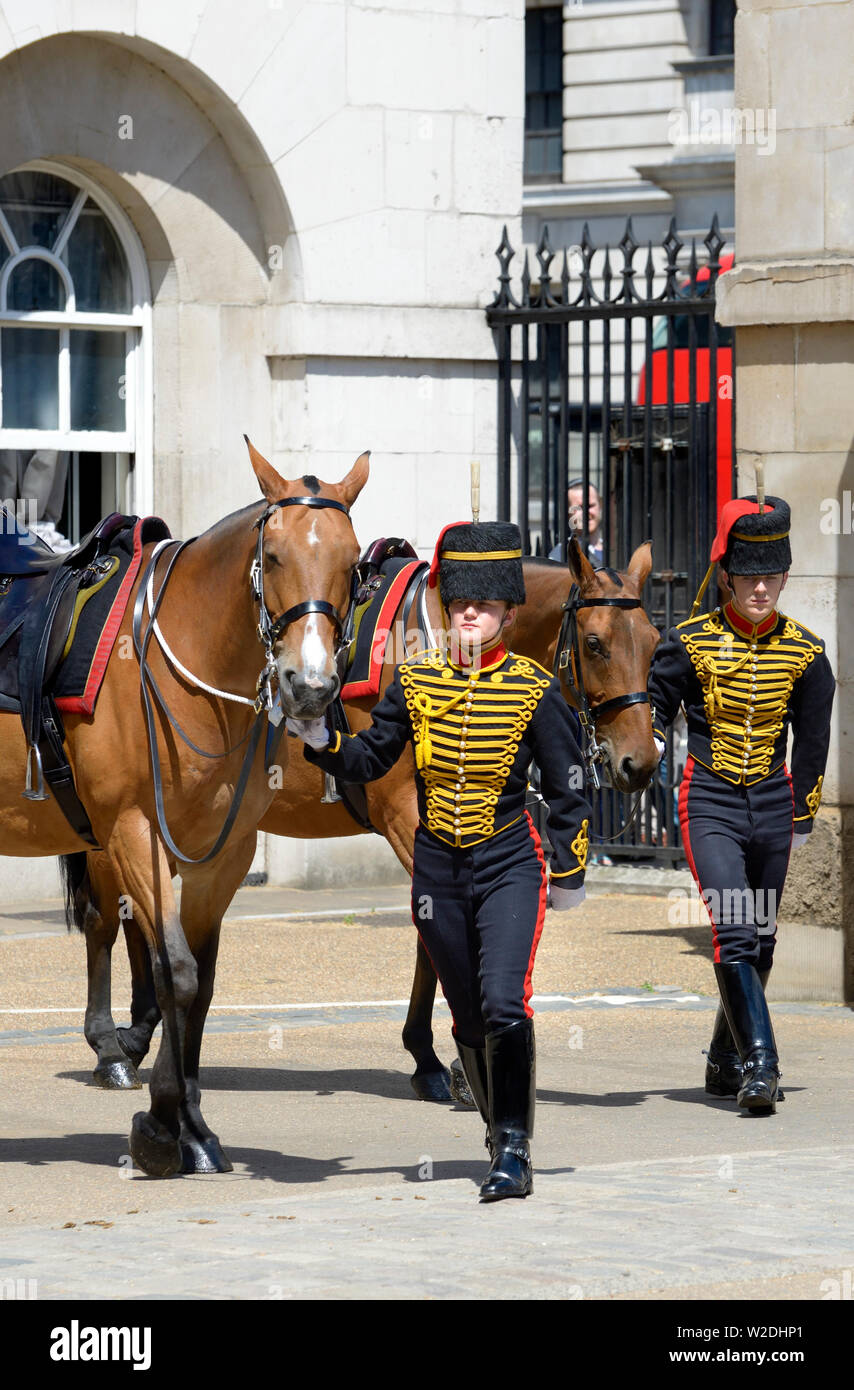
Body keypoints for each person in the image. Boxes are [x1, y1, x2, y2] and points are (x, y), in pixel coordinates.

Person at [287, 521, 592, 1201]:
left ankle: (514, 1148)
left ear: (508, 613)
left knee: (505, 1002)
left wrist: (568, 868)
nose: (470, 615)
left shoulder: (535, 690)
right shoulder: (417, 683)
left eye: (483, 605)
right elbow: (369, 761)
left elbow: (571, 784)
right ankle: (496, 1125)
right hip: (438, 872)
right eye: (459, 605)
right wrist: (320, 736)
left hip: (509, 860)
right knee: (468, 1015)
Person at [648, 496, 835, 1113]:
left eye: (771, 576)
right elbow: (656, 705)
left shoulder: (807, 653)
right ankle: (763, 1066)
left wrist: (802, 811)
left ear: (784, 577)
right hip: (711, 799)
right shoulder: (691, 641)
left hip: (774, 803)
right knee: (732, 928)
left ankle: (724, 1057)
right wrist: (648, 738)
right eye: (749, 575)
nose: (759, 588)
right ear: (727, 575)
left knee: (762, 938)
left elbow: (812, 742)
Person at [549, 478, 604, 567]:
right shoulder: (560, 555)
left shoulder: (617, 551)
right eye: (579, 508)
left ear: (600, 505)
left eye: (590, 506)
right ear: (567, 513)